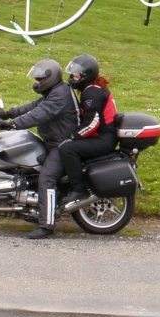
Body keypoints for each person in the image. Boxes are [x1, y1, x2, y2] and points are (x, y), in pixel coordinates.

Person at [0, 59, 78, 239]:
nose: (36, 82)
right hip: (52, 143)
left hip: (62, 145)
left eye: (39, 79)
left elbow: (40, 114)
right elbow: (33, 107)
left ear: (50, 78)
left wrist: (12, 124)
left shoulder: (60, 96)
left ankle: (46, 226)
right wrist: (8, 113)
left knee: (47, 178)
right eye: (36, 79)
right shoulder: (53, 93)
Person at [58, 54, 118, 209]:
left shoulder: (91, 93)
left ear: (87, 75)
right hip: (103, 137)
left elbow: (93, 122)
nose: (73, 77)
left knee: (67, 149)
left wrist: (73, 136)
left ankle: (79, 190)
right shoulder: (92, 89)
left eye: (76, 75)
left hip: (104, 140)